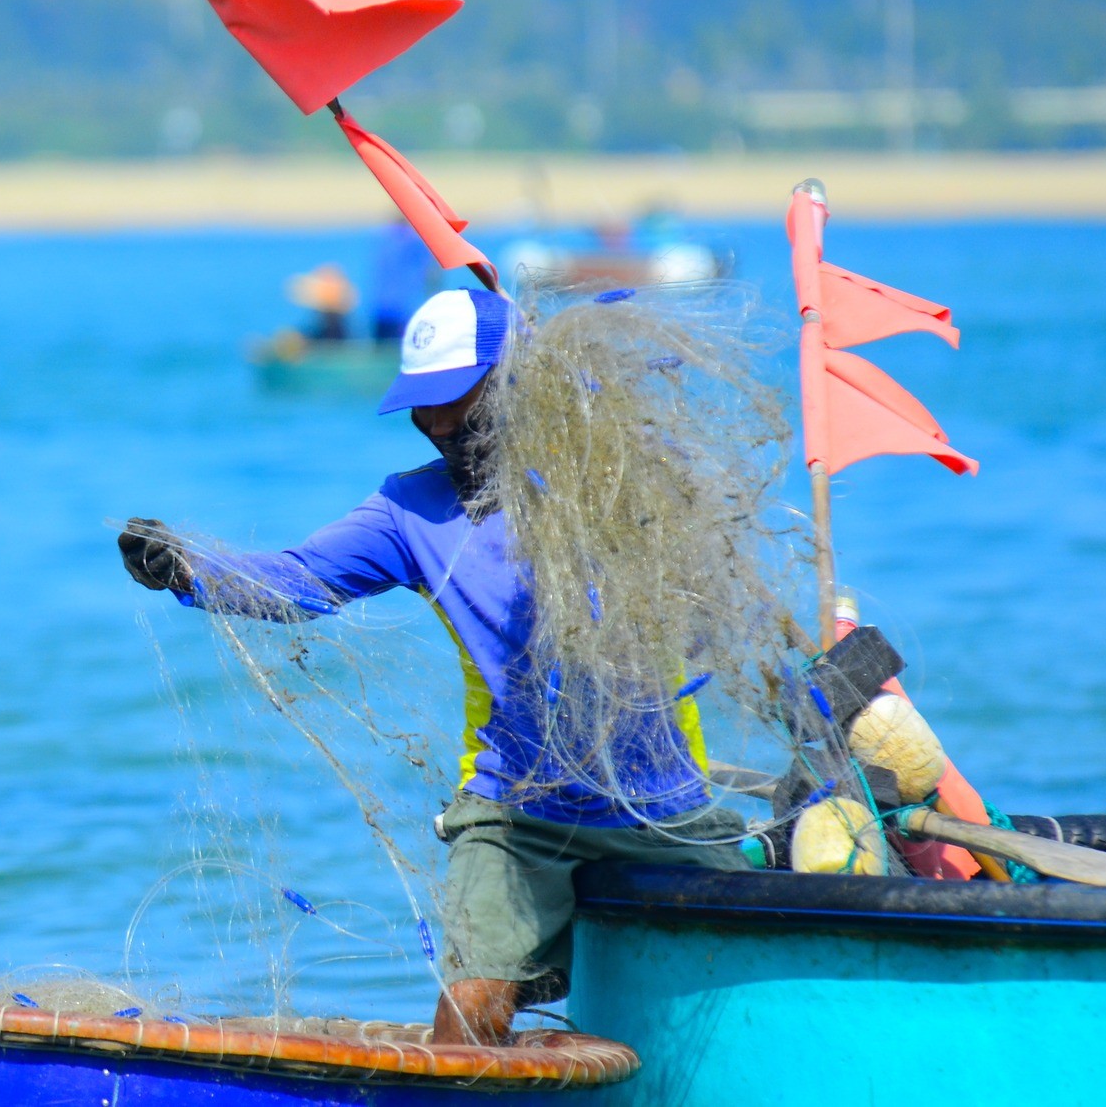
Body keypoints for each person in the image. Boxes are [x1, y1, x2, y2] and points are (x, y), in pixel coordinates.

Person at [117, 286, 748, 1048]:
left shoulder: (616, 474)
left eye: (457, 399)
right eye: (422, 404)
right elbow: (297, 582)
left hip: (663, 804)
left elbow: (727, 596)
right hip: (520, 812)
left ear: (517, 381)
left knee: (749, 985)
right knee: (468, 1013)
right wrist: (189, 569)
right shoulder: (409, 513)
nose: (439, 422)